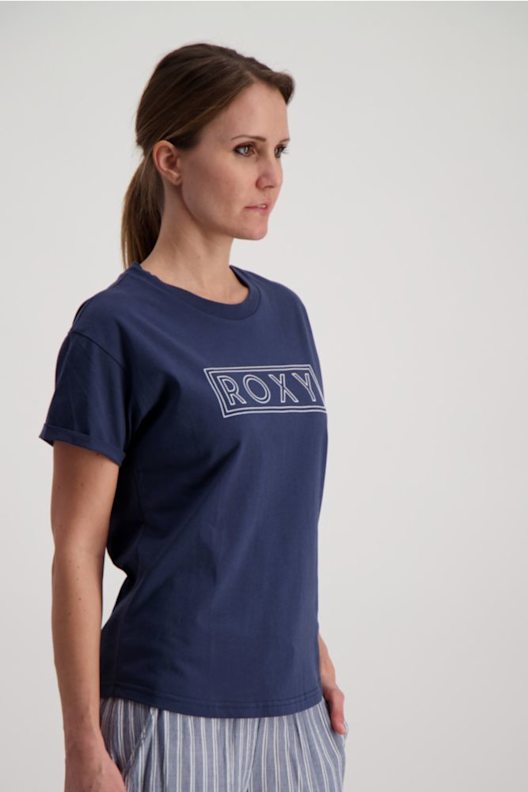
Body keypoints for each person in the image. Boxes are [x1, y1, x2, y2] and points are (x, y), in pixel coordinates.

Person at [38, 42, 348, 792]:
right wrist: (83, 745)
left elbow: (266, 512)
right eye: (245, 150)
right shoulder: (114, 329)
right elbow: (75, 551)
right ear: (170, 160)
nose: (271, 176)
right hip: (171, 709)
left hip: (296, 713)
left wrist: (311, 651)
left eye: (278, 150)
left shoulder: (287, 316)